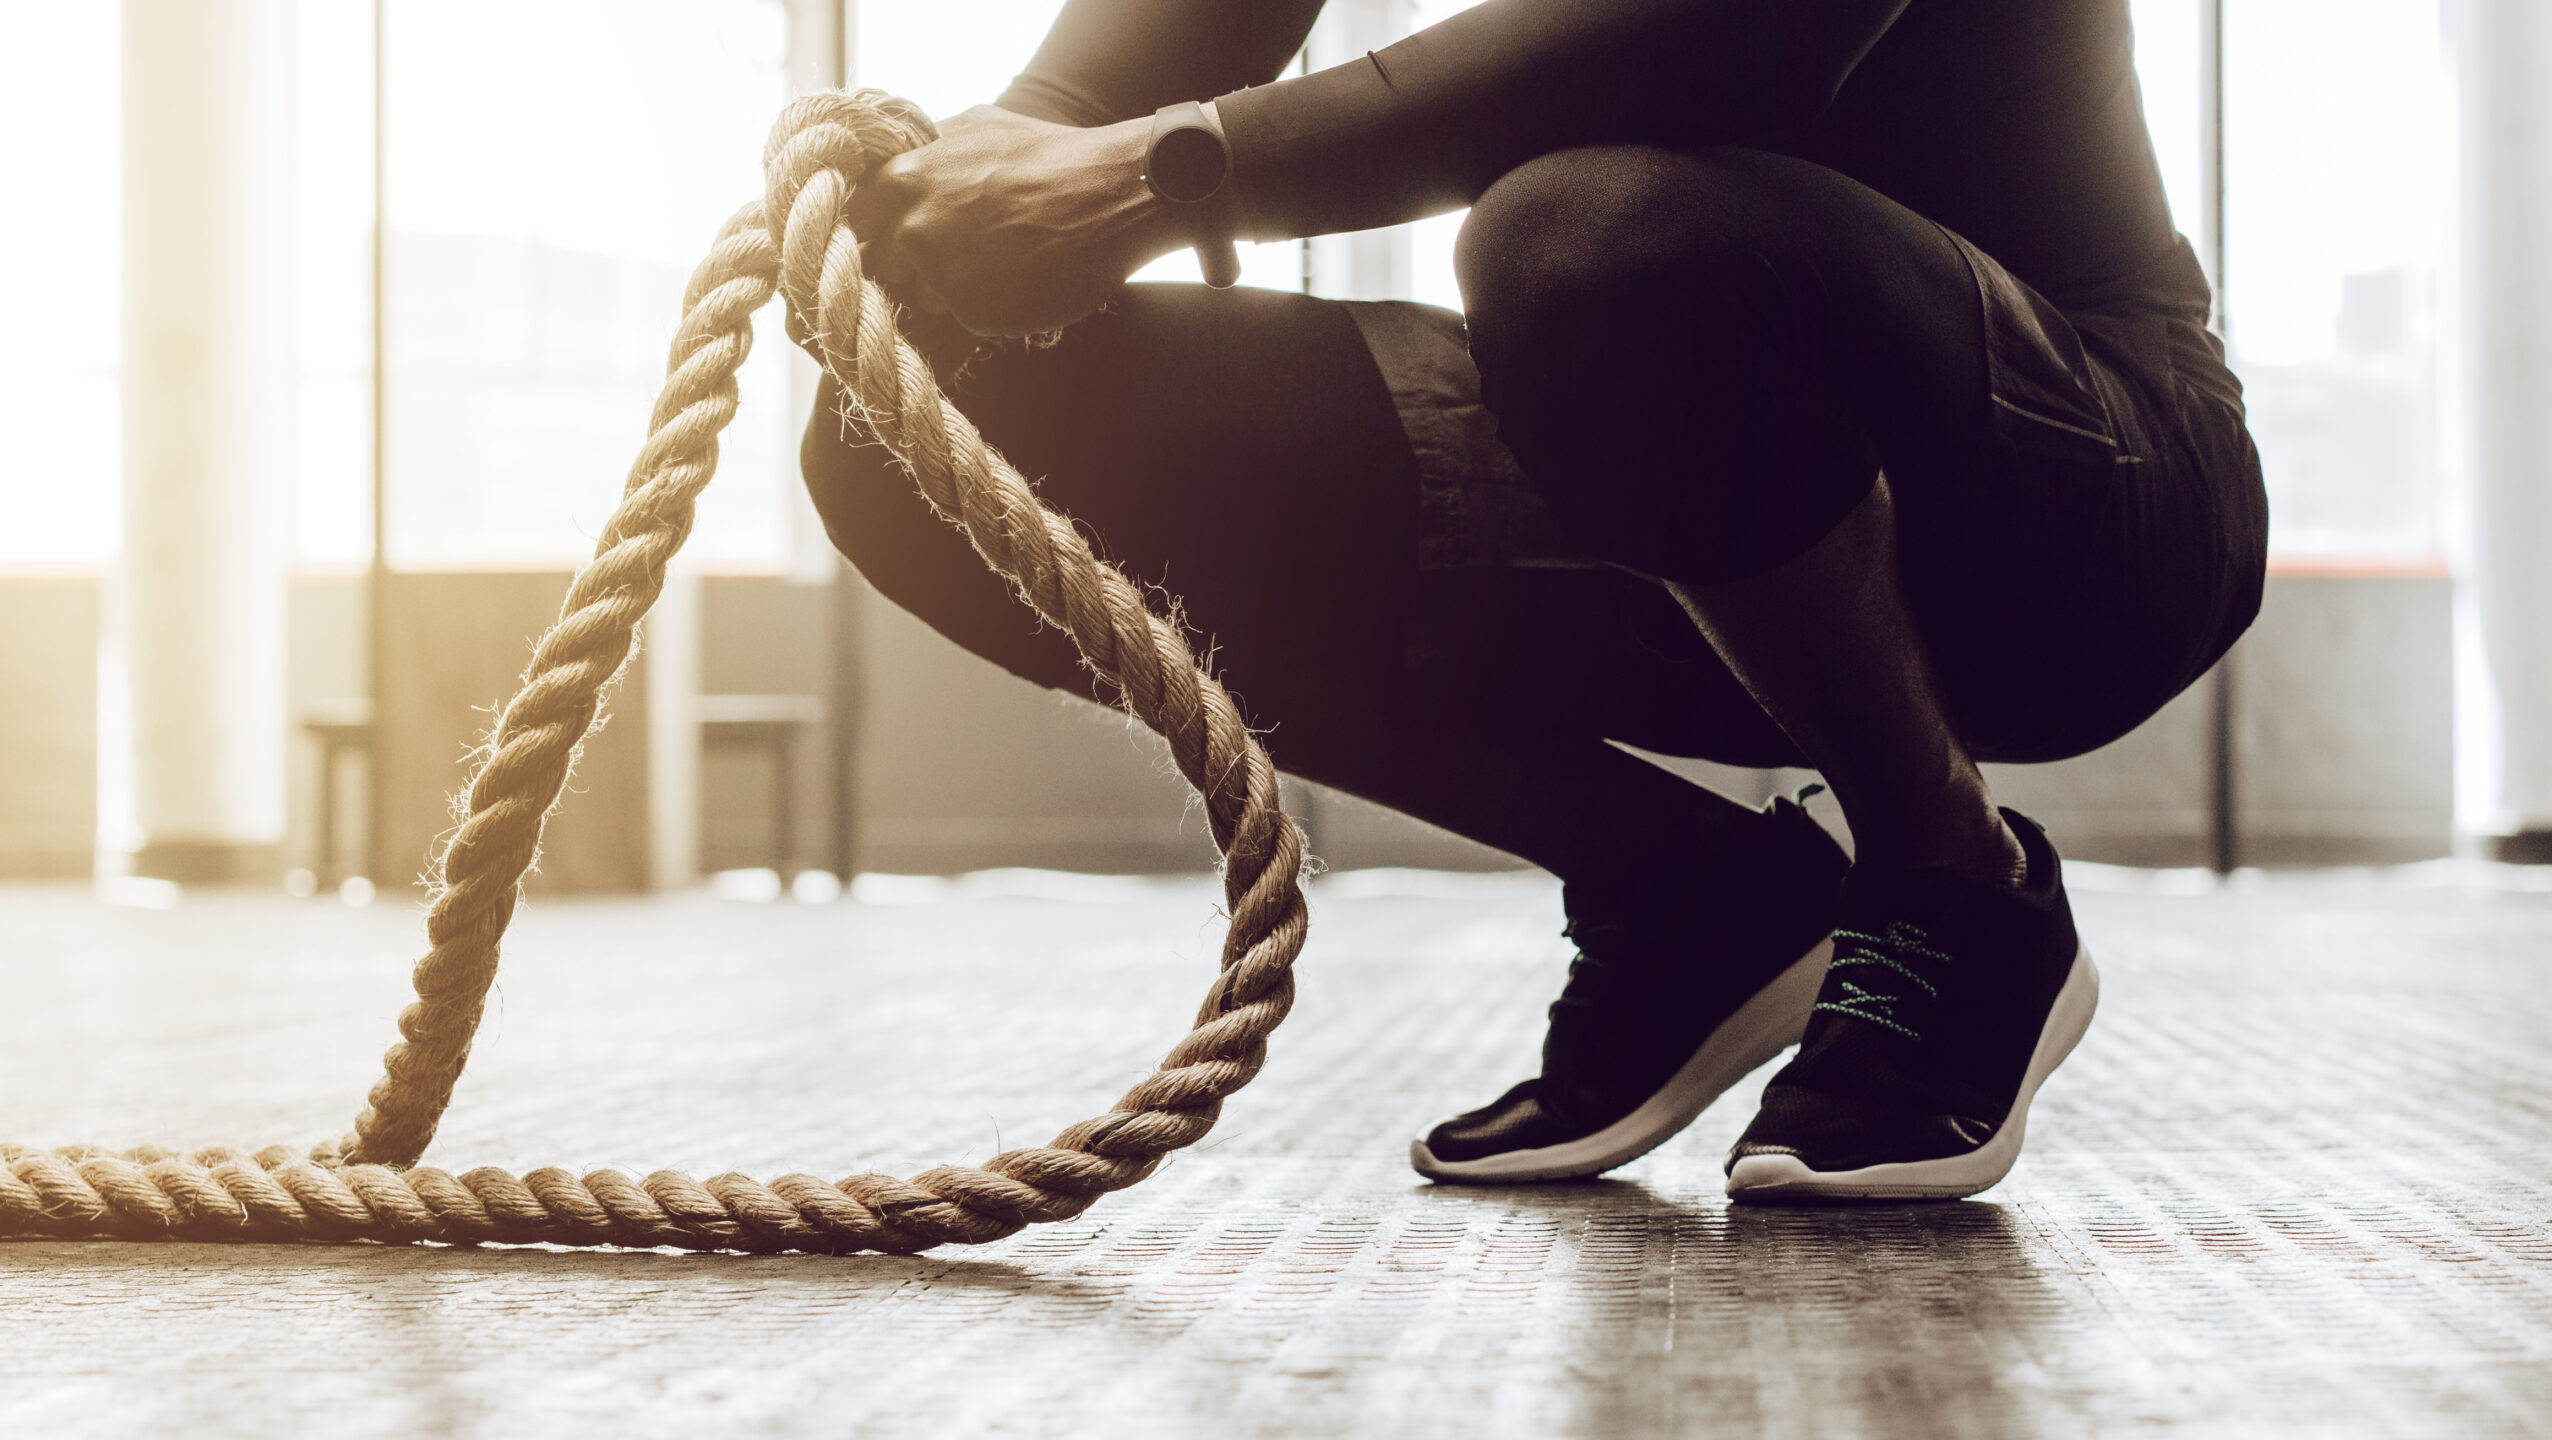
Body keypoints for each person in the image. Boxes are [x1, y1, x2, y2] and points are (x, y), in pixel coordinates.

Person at [806, 0, 2266, 1202]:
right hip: (1678, 457)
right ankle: (1685, 890)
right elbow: (1124, 75)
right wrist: (970, 210)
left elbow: (1726, 41)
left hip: (2090, 510)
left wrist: (1167, 171)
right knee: (917, 436)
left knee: (1578, 237)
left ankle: (1953, 877)